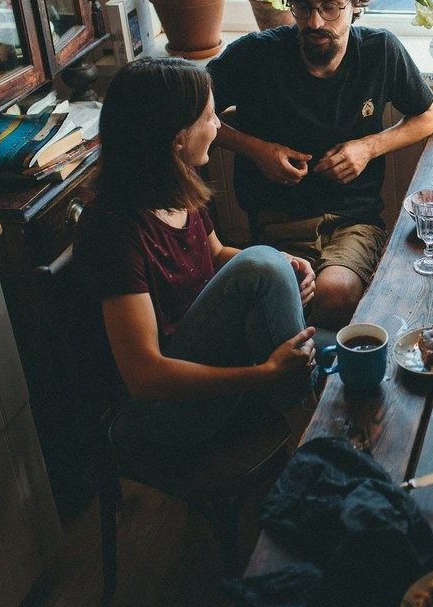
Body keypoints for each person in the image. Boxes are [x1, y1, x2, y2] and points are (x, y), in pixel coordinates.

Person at [72, 57, 317, 450]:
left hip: (210, 368)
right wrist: (264, 375)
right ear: (178, 139)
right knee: (270, 278)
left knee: (340, 343)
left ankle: (306, 416)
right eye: (209, 116)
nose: (218, 125)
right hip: (160, 416)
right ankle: (310, 439)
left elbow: (216, 255)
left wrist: (283, 267)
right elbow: (144, 377)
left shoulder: (178, 181)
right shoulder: (112, 229)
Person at [209, 0, 433, 330]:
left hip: (353, 221)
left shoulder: (380, 51)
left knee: (334, 292)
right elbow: (185, 115)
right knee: (287, 294)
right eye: (303, 7)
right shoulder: (255, 55)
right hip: (277, 223)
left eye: (331, 6)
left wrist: (368, 147)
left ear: (356, 3)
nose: (316, 22)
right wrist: (254, 149)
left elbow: (428, 116)